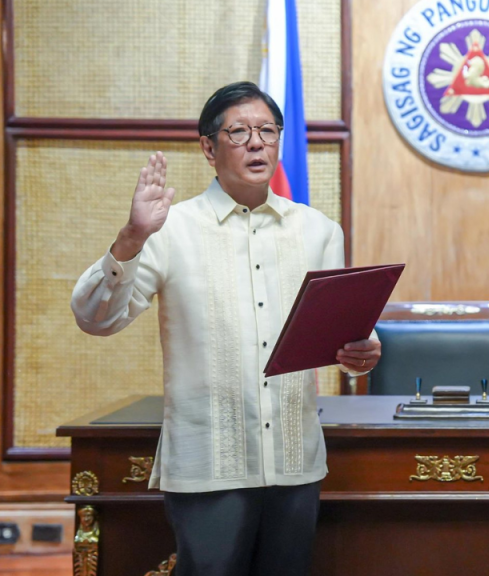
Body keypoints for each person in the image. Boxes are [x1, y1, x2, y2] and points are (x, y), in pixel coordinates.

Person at [70, 81, 381, 576]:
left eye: (267, 131)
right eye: (239, 132)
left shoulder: (320, 231)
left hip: (293, 461)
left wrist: (364, 346)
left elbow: (343, 329)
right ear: (209, 148)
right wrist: (130, 239)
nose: (257, 143)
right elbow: (96, 319)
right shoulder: (170, 230)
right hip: (208, 464)